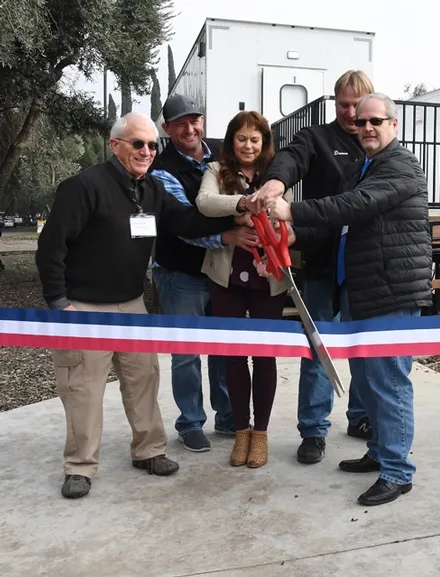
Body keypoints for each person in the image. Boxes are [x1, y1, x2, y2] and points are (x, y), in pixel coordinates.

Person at [35, 112, 242, 499]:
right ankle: (80, 466)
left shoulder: (150, 189)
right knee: (82, 388)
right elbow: (51, 249)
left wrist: (235, 218)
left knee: (143, 380)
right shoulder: (84, 186)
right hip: (83, 309)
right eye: (137, 143)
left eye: (151, 145)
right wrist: (59, 303)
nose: (147, 151)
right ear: (115, 146)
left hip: (132, 305)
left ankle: (149, 451)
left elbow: (186, 221)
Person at [267, 93, 433, 506]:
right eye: (362, 122)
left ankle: (397, 472)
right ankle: (380, 453)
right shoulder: (367, 165)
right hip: (365, 289)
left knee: (390, 382)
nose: (368, 128)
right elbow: (345, 220)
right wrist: (293, 233)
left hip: (389, 291)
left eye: (377, 120)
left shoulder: (399, 165)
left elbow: (356, 205)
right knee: (371, 381)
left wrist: (292, 212)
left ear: (394, 125)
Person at [249, 70, 375, 465]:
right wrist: (275, 184)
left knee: (363, 349)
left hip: (363, 265)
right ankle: (313, 431)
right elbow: (290, 158)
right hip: (321, 262)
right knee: (318, 348)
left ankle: (360, 418)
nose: (352, 113)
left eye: (359, 105)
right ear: (334, 102)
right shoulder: (317, 138)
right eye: (344, 105)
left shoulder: (379, 146)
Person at [196, 111, 290, 468]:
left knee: (264, 356)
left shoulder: (276, 177)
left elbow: (285, 212)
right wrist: (241, 206)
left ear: (264, 143)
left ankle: (261, 433)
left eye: (256, 139)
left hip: (269, 275)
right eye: (241, 138)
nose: (248, 145)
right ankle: (240, 431)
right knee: (233, 355)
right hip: (226, 276)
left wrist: (267, 214)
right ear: (230, 141)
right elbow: (204, 203)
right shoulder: (216, 172)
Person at [150, 94, 236, 453]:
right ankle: (190, 422)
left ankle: (228, 417)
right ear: (167, 129)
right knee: (186, 353)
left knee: (224, 349)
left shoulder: (222, 153)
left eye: (194, 120)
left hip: (220, 271)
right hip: (181, 272)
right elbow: (182, 220)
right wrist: (230, 232)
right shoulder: (160, 168)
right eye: (180, 123)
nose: (190, 128)